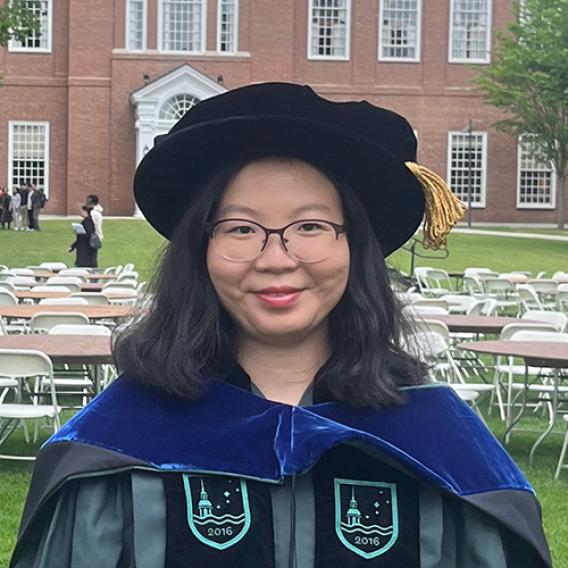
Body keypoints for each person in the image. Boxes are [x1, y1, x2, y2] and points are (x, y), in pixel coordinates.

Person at [11, 83, 551, 567]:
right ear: (202, 250)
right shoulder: (120, 440)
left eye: (310, 225)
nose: (275, 258)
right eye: (241, 229)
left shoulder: (439, 441)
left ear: (354, 247)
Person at [86, 193, 104, 265]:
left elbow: (91, 224)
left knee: (91, 259)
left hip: (93, 237)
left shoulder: (94, 213)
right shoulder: (97, 212)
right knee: (93, 257)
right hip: (97, 236)